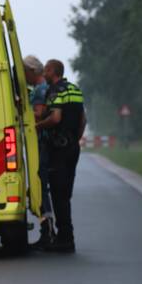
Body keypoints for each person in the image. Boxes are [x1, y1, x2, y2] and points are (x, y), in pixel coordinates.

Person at [35, 59, 86, 253]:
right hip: (73, 148)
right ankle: (66, 236)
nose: (44, 74)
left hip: (58, 149)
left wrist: (37, 126)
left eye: (46, 70)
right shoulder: (74, 89)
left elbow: (55, 118)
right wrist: (75, 139)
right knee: (66, 193)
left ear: (52, 71)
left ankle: (65, 239)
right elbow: (83, 119)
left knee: (58, 194)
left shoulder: (55, 91)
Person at [23, 55, 53, 248]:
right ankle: (48, 230)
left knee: (40, 186)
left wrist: (21, 110)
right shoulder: (43, 88)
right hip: (45, 143)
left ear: (32, 71)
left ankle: (47, 231)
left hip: (42, 143)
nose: (23, 75)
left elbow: (39, 114)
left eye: (24, 71)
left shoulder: (40, 90)